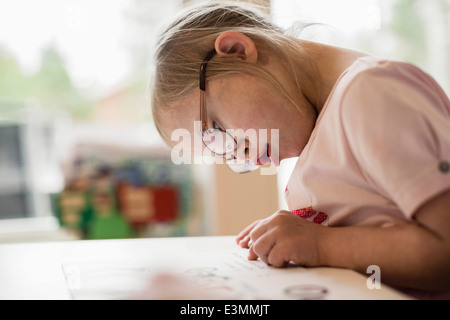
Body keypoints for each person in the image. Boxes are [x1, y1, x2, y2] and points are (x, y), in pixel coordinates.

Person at [150, 1, 450, 298]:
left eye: (215, 133)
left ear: (236, 51)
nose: (240, 156)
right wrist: (294, 234)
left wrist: (321, 245)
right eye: (223, 155)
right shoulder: (321, 127)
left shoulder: (372, 92)